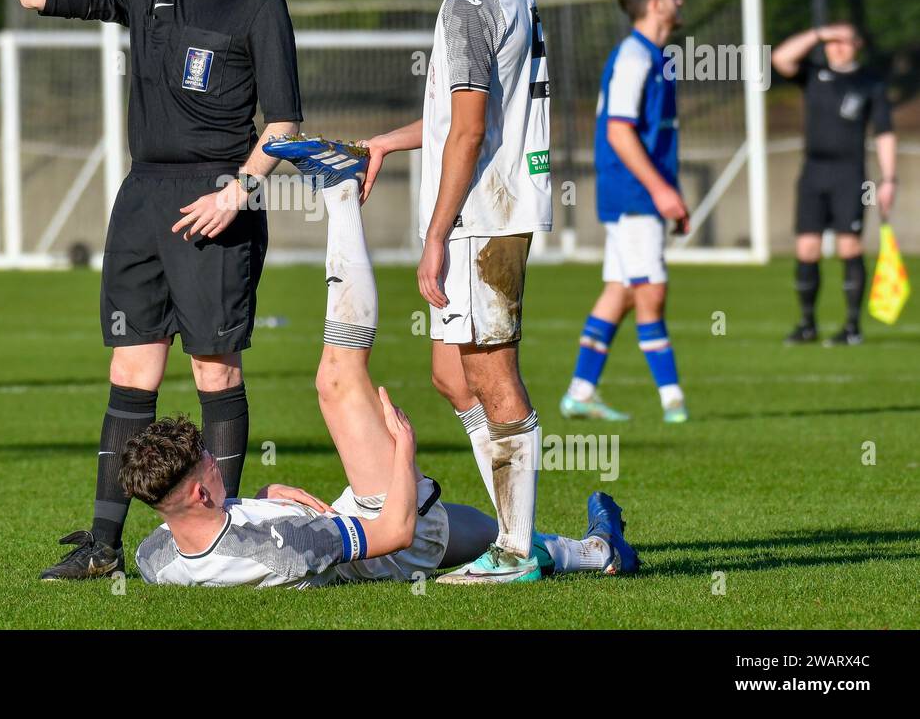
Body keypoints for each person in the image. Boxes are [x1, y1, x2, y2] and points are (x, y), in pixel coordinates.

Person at [0, 0, 303, 579]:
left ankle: (222, 543)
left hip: (215, 206)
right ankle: (103, 546)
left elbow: (286, 122)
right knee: (132, 375)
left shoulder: (260, 5)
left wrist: (240, 190)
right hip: (141, 201)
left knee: (214, 376)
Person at [126, 141, 638, 588]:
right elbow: (395, 532)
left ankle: (598, 552)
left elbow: (207, 532)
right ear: (197, 490)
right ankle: (341, 188)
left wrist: (261, 500)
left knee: (502, 539)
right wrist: (403, 454)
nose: (218, 462)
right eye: (208, 464)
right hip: (389, 537)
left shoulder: (157, 554)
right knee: (336, 380)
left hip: (362, 527)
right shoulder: (280, 548)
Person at [361, 0, 553, 583]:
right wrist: (391, 140)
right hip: (488, 204)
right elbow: (462, 115)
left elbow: (472, 129)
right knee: (452, 376)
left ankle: (514, 546)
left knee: (494, 376)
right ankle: (518, 523)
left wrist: (436, 234)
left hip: (482, 216)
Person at [557, 0, 689, 423]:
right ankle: (673, 402)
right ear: (655, 3)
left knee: (620, 291)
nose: (680, 0)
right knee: (650, 290)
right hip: (634, 193)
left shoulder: (652, 55)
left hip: (636, 192)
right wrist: (661, 191)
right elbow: (618, 131)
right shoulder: (635, 57)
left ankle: (580, 391)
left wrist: (667, 192)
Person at [771, 23, 896, 345]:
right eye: (831, 43)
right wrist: (818, 33)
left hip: (850, 174)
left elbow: (884, 133)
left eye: (844, 42)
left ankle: (852, 327)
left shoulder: (870, 83)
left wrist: (889, 179)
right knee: (806, 247)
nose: (836, 48)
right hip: (812, 171)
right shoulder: (813, 74)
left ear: (858, 44)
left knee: (849, 246)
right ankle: (807, 324)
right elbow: (780, 58)